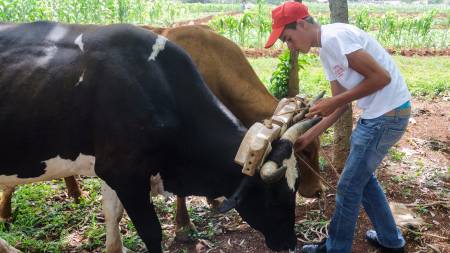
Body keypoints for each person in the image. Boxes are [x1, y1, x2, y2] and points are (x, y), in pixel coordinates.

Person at [265, 2, 411, 253]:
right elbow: (339, 106)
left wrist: (334, 101)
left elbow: (381, 78)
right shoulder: (325, 50)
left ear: (301, 24)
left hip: (387, 117)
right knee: (363, 181)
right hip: (381, 115)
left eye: (288, 38)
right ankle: (391, 240)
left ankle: (335, 248)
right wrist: (309, 135)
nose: (290, 47)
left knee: (347, 187)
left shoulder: (334, 37)